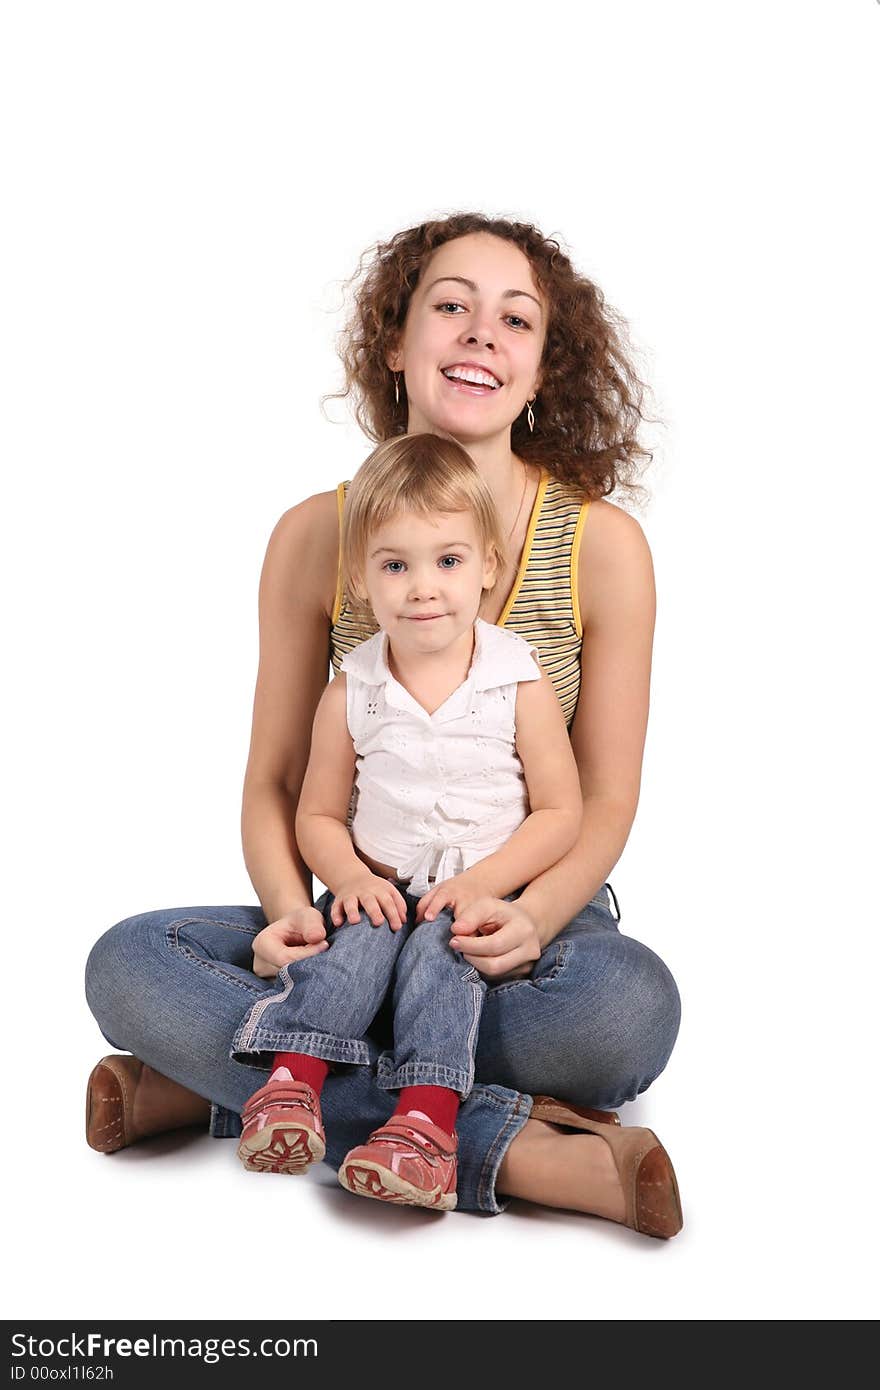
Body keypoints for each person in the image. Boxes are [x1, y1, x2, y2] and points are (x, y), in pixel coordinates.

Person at [85, 211, 683, 1238]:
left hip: (518, 924)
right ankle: (517, 1148)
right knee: (129, 963)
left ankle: (237, 1082)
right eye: (449, 306)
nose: (480, 333)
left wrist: (532, 914)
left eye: (515, 320)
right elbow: (281, 783)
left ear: (542, 371)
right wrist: (289, 911)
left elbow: (603, 797)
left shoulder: (601, 546)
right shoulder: (316, 535)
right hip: (357, 913)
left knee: (623, 1014)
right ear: (396, 348)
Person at [233, 434, 583, 1210]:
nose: (424, 588)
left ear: (488, 567)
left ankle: (423, 1126)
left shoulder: (515, 680)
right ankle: (291, 1088)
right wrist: (351, 879)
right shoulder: (350, 689)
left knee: (455, 965)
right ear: (361, 578)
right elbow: (317, 815)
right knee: (346, 955)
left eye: (448, 562)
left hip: (478, 908)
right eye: (396, 565)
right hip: (382, 891)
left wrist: (487, 886)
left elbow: (563, 813)